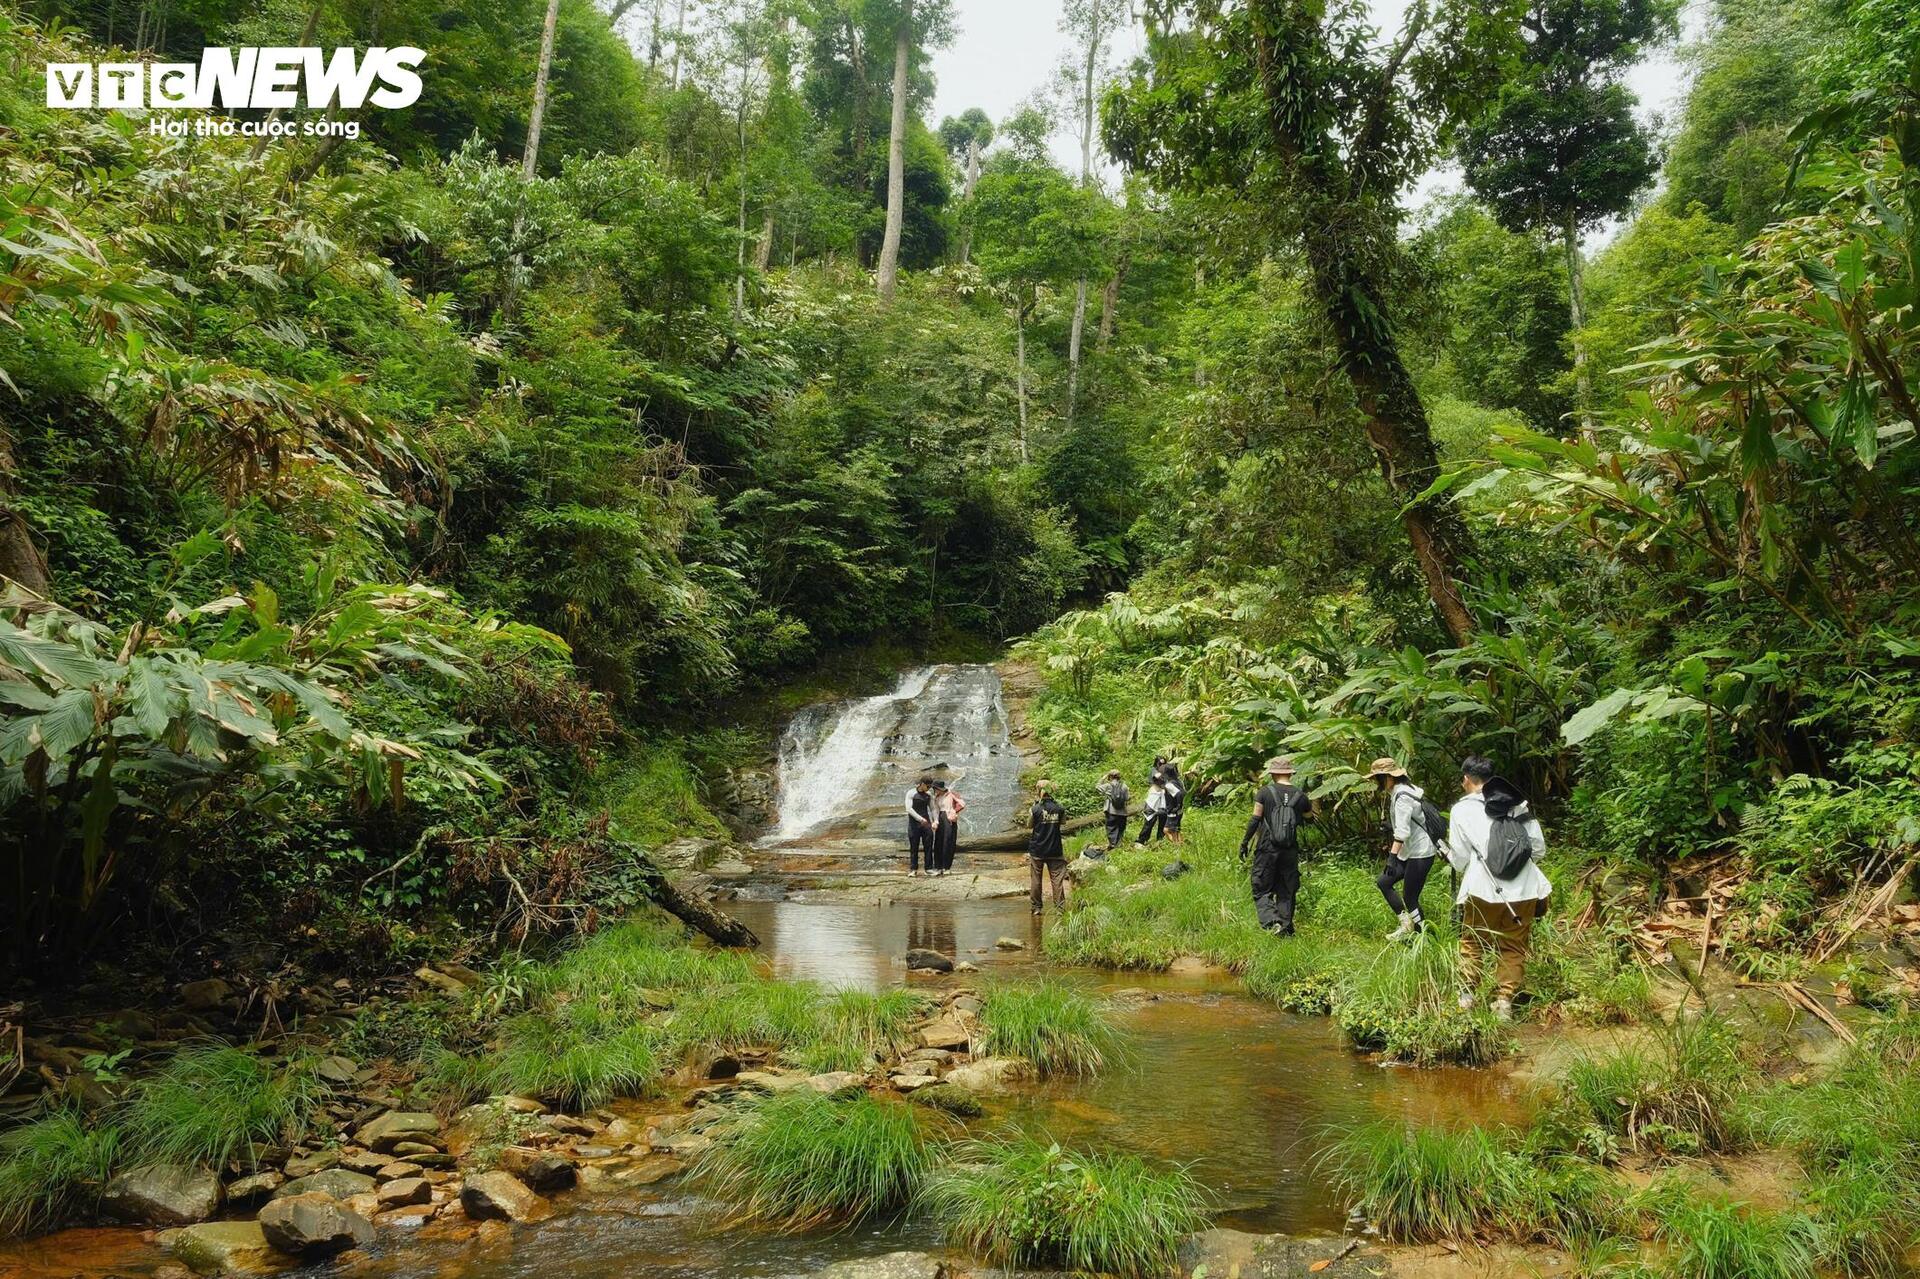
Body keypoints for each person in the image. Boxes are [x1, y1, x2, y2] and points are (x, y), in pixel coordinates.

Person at [1447, 755, 1552, 1021]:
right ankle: (1504, 1002)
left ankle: (1467, 998)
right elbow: (1537, 848)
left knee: (1473, 942)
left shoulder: (1461, 810)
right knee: (1513, 946)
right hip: (1526, 888)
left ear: (1466, 779)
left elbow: (1458, 859)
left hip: (1483, 888)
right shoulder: (1517, 803)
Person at [1367, 757, 1438, 941]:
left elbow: (1404, 832)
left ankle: (1424, 937)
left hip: (1421, 852)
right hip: (1409, 851)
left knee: (1410, 897)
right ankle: (1406, 924)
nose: (1376, 783)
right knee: (1384, 882)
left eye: (1377, 778)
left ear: (1387, 777)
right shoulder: (1403, 791)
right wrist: (1392, 827)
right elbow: (1412, 821)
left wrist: (1392, 857)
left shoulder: (1402, 796)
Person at [1240, 756, 1311, 935]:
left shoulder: (1264, 792)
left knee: (1260, 887)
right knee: (1287, 889)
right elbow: (1309, 819)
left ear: (1273, 774)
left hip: (1267, 847)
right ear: (1290, 774)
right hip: (1290, 849)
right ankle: (1286, 929)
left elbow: (1255, 819)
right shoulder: (1301, 795)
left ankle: (1272, 922)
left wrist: (1245, 842)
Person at [1028, 779, 1069, 913]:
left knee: (1036, 879)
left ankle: (1036, 908)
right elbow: (1063, 823)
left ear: (1039, 791)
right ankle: (1060, 908)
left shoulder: (1035, 809)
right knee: (1057, 880)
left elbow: (1029, 825)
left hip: (1037, 849)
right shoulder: (1059, 808)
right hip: (1055, 848)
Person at [933, 779, 966, 875]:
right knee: (938, 842)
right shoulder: (937, 797)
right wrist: (935, 821)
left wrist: (954, 811)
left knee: (948, 841)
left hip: (949, 819)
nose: (935, 791)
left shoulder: (951, 794)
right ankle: (938, 866)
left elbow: (962, 804)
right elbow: (936, 809)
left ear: (939, 788)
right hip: (940, 818)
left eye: (935, 789)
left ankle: (946, 867)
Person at [905, 777, 935, 877]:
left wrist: (936, 821)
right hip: (914, 824)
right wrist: (920, 819)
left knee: (929, 845)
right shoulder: (911, 793)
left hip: (926, 824)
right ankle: (913, 869)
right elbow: (909, 809)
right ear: (922, 784)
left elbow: (933, 809)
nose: (929, 788)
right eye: (928, 786)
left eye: (930, 786)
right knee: (914, 847)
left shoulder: (929, 795)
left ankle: (929, 868)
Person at [1097, 769, 1130, 848]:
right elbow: (1127, 798)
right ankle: (1118, 845)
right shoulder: (1124, 786)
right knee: (1120, 829)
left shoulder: (1108, 786)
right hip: (1122, 812)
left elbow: (1097, 787)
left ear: (1110, 777)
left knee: (1111, 828)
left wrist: (1103, 778)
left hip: (1111, 811)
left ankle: (1113, 845)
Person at [1134, 771, 1169, 845]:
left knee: (1162, 825)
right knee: (1148, 824)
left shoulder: (1162, 788)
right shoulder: (1153, 789)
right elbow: (1151, 802)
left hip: (1162, 808)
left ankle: (1160, 840)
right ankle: (1142, 839)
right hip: (1151, 808)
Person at [1159, 756, 1186, 846]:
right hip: (1180, 811)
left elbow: (1179, 794)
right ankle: (1181, 843)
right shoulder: (1178, 781)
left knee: (1167, 830)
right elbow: (1183, 792)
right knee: (1176, 830)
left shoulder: (1169, 785)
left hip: (1173, 811)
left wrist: (1176, 806)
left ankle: (1177, 845)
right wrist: (1180, 806)